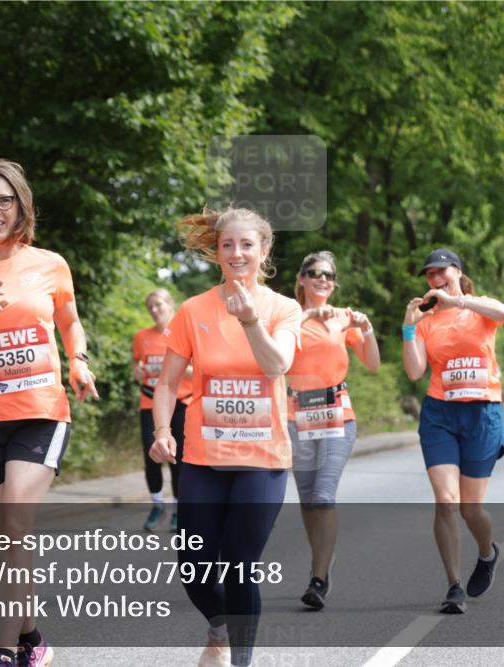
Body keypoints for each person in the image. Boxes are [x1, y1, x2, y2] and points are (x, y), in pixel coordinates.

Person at [0, 159, 99, 667]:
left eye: (3, 200)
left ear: (20, 204)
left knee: (13, 526)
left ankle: (5, 654)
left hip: (40, 411)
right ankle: (32, 637)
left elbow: (71, 323)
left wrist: (80, 363)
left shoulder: (49, 264)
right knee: (4, 541)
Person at [149, 208, 302, 667]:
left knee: (239, 565)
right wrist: (161, 431)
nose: (236, 253)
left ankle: (240, 659)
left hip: (263, 458)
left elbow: (278, 366)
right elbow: (167, 383)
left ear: (264, 250)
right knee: (194, 570)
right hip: (202, 458)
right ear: (217, 252)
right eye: (227, 245)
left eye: (246, 245)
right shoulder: (194, 310)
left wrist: (252, 320)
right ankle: (218, 626)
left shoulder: (282, 308)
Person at [402, 248, 504, 614]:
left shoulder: (478, 307)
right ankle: (453, 585)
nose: (434, 279)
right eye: (429, 275)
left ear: (457, 272)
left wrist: (460, 300)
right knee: (446, 501)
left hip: (482, 413)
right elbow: (415, 371)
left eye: (441, 272)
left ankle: (487, 552)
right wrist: (408, 324)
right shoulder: (426, 322)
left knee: (470, 508)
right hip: (440, 416)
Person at [287, 251, 380, 610]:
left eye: (328, 274)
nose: (321, 279)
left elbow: (372, 363)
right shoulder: (287, 316)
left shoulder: (345, 318)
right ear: (301, 279)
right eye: (313, 273)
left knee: (324, 495)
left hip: (338, 415)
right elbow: (270, 357)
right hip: (297, 416)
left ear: (334, 282)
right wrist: (309, 315)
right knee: (309, 500)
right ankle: (322, 561)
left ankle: (318, 577)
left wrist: (367, 329)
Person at [133, 289, 194, 532]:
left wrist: (174, 370)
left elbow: (198, 370)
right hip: (150, 402)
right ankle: (157, 504)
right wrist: (138, 372)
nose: (155, 310)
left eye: (159, 305)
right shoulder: (142, 337)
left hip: (181, 402)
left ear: (170, 305)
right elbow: (138, 363)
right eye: (151, 307)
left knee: (177, 459)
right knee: (151, 456)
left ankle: (179, 510)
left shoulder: (184, 333)